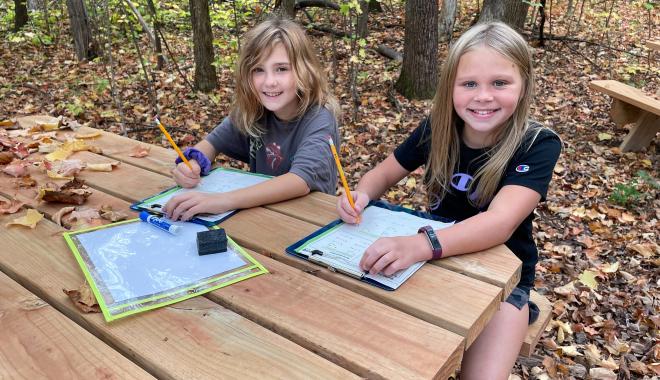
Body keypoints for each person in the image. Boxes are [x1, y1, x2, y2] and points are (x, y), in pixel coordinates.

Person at [336, 22, 561, 379]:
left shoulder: (537, 144)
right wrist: (360, 196)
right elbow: (380, 175)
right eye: (469, 83)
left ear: (524, 86)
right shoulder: (437, 128)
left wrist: (421, 245)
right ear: (450, 88)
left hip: (503, 280)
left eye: (500, 83)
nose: (483, 96)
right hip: (432, 265)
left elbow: (500, 223)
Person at [164, 16, 340, 222]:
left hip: (307, 223)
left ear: (305, 71)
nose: (269, 82)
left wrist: (221, 201)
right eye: (258, 70)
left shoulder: (319, 118)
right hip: (260, 218)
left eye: (281, 69)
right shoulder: (254, 110)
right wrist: (192, 163)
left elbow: (299, 180)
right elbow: (211, 143)